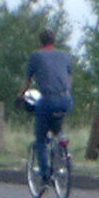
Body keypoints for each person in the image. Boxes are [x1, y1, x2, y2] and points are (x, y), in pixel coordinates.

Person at [18, 29, 74, 184]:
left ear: (40, 42)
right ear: (54, 41)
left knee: (41, 138)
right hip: (66, 99)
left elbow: (27, 80)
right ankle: (61, 149)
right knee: (57, 128)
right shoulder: (65, 56)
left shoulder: (36, 56)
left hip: (47, 100)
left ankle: (45, 174)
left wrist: (20, 96)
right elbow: (69, 80)